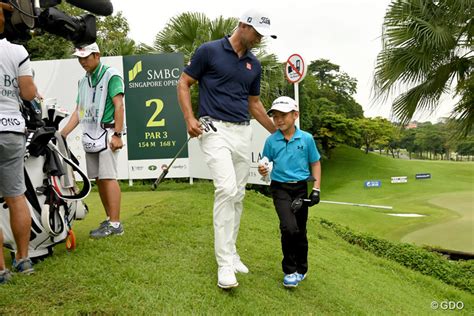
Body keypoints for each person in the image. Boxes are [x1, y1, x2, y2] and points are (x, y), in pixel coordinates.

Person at [177, 10, 277, 289]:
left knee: (239, 195)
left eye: (262, 36)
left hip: (243, 132)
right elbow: (184, 83)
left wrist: (278, 131)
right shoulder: (208, 51)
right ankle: (224, 265)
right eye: (256, 33)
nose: (259, 39)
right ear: (243, 26)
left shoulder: (253, 65)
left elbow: (254, 104)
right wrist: (189, 118)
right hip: (213, 130)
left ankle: (232, 252)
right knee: (225, 189)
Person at [61, 42, 125, 239]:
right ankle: (109, 219)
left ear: (97, 55)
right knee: (99, 179)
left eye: (86, 57)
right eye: (80, 58)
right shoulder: (83, 81)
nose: (82, 61)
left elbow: (119, 105)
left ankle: (115, 224)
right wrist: (62, 134)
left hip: (107, 134)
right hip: (90, 136)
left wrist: (118, 134)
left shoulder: (111, 74)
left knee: (108, 177)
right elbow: (79, 111)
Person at [258, 96, 322, 288]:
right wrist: (263, 168)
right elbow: (265, 162)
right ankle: (290, 270)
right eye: (275, 116)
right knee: (288, 227)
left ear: (295, 115)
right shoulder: (271, 140)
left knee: (300, 231)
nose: (278, 120)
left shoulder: (307, 139)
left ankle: (302, 268)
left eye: (283, 115)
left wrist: (316, 189)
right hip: (280, 188)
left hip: (301, 188)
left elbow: (315, 163)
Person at [0, 38, 38, 283]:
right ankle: (23, 260)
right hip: (12, 129)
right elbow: (28, 93)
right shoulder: (17, 50)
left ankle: (1, 271)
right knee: (16, 196)